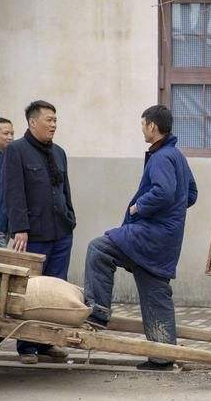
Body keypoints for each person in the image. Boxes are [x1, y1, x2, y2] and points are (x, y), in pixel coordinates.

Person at [83, 105, 197, 371]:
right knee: (154, 290)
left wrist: (139, 208)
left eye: (143, 124)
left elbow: (163, 192)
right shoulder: (176, 155)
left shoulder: (160, 157)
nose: (142, 129)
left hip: (149, 235)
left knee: (99, 249)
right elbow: (190, 194)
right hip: (166, 239)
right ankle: (162, 356)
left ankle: (98, 312)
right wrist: (173, 215)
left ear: (152, 127)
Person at [3, 101, 75, 364]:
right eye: (49, 120)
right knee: (31, 291)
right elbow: (13, 191)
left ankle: (48, 343)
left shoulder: (59, 152)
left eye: (56, 120)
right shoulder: (17, 151)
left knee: (56, 290)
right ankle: (27, 347)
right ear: (33, 122)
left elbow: (65, 190)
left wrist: (71, 218)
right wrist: (19, 228)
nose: (54, 125)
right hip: (33, 234)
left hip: (61, 231)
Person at [0, 117, 14, 247]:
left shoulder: (9, 157)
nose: (10, 137)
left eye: (12, 134)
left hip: (6, 226)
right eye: (6, 133)